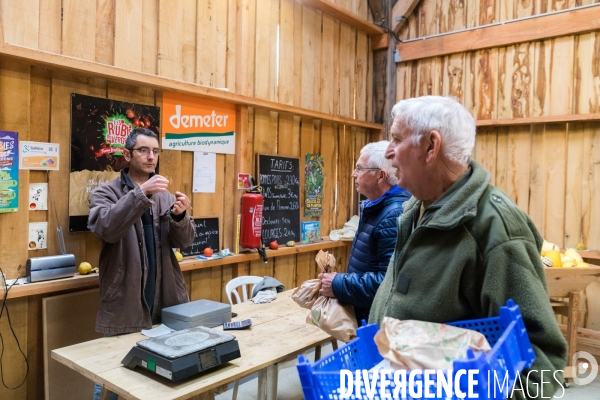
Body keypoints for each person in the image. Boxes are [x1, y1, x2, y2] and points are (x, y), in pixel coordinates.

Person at [369, 96, 567, 398]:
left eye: (396, 139)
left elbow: (540, 366)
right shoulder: (414, 210)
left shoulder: (495, 230)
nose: (388, 152)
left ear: (430, 147)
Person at [88, 128, 195, 399]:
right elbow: (106, 228)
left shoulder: (166, 196)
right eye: (144, 150)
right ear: (127, 154)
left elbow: (185, 243)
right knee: (115, 380)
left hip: (166, 301)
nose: (151, 157)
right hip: (125, 305)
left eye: (156, 151)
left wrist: (181, 217)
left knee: (162, 381)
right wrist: (141, 193)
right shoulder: (106, 193)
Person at [318, 141, 411, 323]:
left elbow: (387, 284)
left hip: (379, 323)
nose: (354, 174)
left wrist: (338, 284)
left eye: (359, 169)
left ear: (380, 176)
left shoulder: (393, 215)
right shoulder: (376, 208)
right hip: (367, 315)